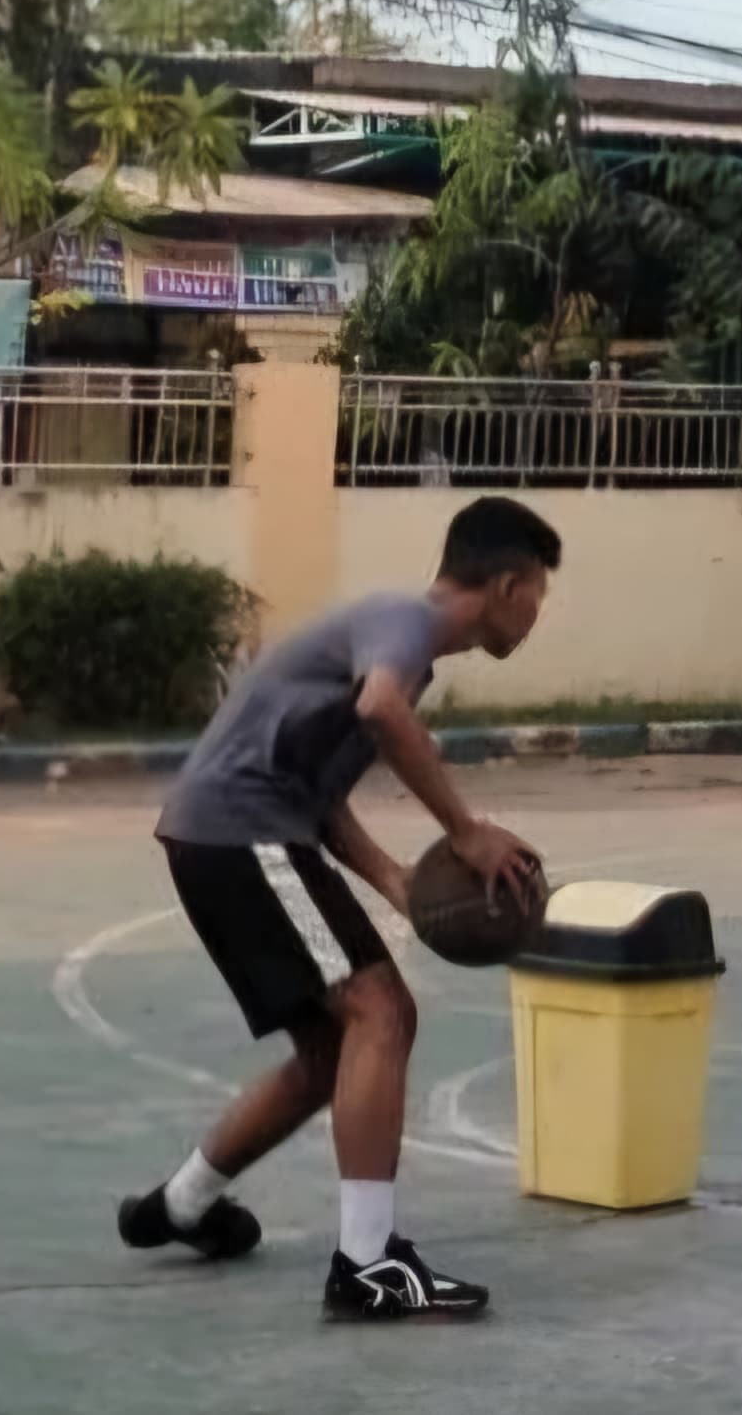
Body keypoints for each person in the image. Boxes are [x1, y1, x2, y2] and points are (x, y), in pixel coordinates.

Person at [114, 496, 559, 1320]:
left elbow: (320, 797)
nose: (537, 613)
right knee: (381, 1014)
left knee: (330, 1050)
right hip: (239, 833)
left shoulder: (398, 642)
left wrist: (395, 880)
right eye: (538, 592)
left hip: (231, 833)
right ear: (506, 585)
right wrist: (467, 832)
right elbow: (378, 711)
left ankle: (179, 1206)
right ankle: (368, 1266)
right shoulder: (404, 624)